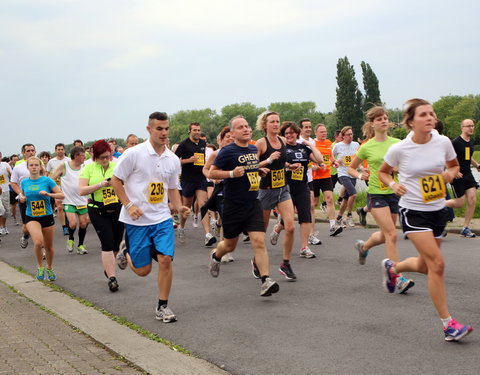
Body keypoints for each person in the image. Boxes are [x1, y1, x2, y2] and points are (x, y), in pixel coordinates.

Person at [379, 98, 472, 341]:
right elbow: (383, 172)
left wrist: (447, 176)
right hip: (414, 211)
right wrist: (393, 184)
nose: (430, 117)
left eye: (432, 113)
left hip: (438, 210)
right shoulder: (400, 148)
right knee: (437, 265)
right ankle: (448, 324)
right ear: (410, 121)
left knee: (424, 265)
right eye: (423, 114)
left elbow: (453, 167)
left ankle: (393, 268)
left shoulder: (442, 142)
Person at [111, 111, 190, 322]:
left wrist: (179, 206)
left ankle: (162, 306)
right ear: (149, 129)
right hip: (137, 220)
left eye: (166, 129)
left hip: (162, 218)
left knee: (165, 260)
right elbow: (115, 181)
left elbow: (173, 187)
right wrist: (128, 205)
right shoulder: (134, 154)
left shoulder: (173, 159)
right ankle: (126, 250)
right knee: (143, 270)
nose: (164, 133)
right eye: (159, 129)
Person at [207, 115, 280, 297]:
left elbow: (248, 169)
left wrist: (258, 170)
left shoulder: (253, 148)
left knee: (259, 241)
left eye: (247, 126)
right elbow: (212, 173)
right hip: (233, 204)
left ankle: (265, 280)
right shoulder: (227, 151)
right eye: (241, 127)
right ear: (232, 133)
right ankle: (216, 256)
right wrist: (231, 174)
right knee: (230, 246)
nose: (246, 129)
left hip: (253, 202)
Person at [348, 106, 414, 293]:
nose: (383, 121)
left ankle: (364, 246)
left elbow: (406, 165)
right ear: (372, 124)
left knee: (386, 234)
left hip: (394, 192)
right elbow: (352, 168)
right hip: (376, 193)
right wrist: (360, 174)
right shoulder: (367, 146)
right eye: (379, 119)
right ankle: (397, 275)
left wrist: (400, 170)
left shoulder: (397, 143)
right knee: (392, 234)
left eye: (385, 118)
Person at [272, 122, 325, 258]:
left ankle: (304, 247)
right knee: (289, 217)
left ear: (297, 133)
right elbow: (277, 162)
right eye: (286, 133)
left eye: (292, 132)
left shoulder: (303, 148)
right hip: (286, 187)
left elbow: (319, 160)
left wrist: (311, 145)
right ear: (283, 135)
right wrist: (289, 166)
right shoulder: (281, 148)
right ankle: (278, 228)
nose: (289, 135)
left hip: (302, 186)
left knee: (305, 215)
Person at [255, 111, 297, 281]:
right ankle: (256, 260)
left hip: (282, 188)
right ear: (265, 125)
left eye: (277, 121)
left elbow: (281, 161)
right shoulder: (260, 143)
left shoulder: (282, 141)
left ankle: (285, 263)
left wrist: (288, 166)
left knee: (291, 226)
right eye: (272, 121)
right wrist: (269, 160)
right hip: (265, 190)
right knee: (262, 231)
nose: (275, 124)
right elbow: (252, 165)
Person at [79, 140, 124, 292]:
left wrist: (117, 184)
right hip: (97, 209)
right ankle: (112, 278)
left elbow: (129, 184)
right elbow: (82, 190)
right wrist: (100, 185)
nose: (105, 160)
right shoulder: (88, 168)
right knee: (107, 242)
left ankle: (110, 265)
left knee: (116, 244)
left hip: (117, 207)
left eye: (107, 156)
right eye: (102, 157)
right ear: (95, 157)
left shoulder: (117, 165)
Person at [19, 156, 64, 281]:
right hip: (31, 216)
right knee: (38, 242)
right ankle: (40, 267)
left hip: (47, 216)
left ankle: (49, 268)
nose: (33, 167)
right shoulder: (24, 182)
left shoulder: (47, 181)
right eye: (31, 165)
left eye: (36, 165)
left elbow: (61, 194)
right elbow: (22, 195)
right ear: (27, 167)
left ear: (40, 167)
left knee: (49, 247)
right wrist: (21, 198)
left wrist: (49, 194)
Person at [175, 122, 215, 246]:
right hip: (187, 180)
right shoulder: (183, 144)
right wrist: (189, 160)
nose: (197, 132)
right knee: (186, 206)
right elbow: (175, 161)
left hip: (200, 178)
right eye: (194, 130)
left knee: (203, 204)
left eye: (198, 130)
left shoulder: (203, 144)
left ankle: (207, 234)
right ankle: (181, 227)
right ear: (190, 131)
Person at [202, 126, 235, 262]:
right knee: (227, 219)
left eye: (232, 136)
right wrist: (212, 177)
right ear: (221, 139)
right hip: (222, 189)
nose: (230, 139)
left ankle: (219, 227)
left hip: (237, 190)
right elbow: (205, 169)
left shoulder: (239, 153)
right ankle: (224, 251)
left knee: (229, 220)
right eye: (227, 136)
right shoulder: (217, 154)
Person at [445, 119, 479, 238]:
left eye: (472, 126)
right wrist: (455, 171)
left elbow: (468, 157)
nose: (471, 128)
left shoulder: (470, 142)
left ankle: (465, 228)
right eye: (468, 126)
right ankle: (439, 204)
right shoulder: (455, 142)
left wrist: (477, 165)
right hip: (457, 176)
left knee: (472, 199)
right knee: (460, 203)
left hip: (468, 175)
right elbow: (446, 158)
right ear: (462, 128)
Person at [51, 146, 89, 254]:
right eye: (82, 156)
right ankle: (71, 238)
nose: (84, 158)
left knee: (83, 223)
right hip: (68, 200)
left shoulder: (85, 167)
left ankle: (81, 245)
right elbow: (52, 179)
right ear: (76, 156)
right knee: (73, 223)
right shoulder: (64, 166)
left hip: (82, 200)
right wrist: (57, 192)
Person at [312, 124, 343, 237]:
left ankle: (333, 225)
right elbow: (308, 159)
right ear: (316, 133)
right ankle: (310, 229)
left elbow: (330, 158)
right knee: (314, 203)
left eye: (325, 131)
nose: (324, 134)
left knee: (329, 199)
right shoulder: (313, 143)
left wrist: (335, 162)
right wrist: (313, 166)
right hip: (314, 177)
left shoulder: (329, 143)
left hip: (326, 176)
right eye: (321, 132)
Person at [298, 119, 322, 245]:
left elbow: (314, 157)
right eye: (305, 127)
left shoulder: (312, 141)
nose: (308, 129)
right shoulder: (296, 141)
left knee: (311, 206)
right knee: (294, 210)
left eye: (309, 127)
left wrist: (319, 164)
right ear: (300, 129)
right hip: (295, 179)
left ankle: (311, 235)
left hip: (308, 178)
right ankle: (279, 226)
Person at [10, 143, 37, 248]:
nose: (31, 153)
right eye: (28, 151)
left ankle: (41, 247)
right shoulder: (18, 167)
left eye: (32, 150)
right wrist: (20, 194)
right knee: (27, 227)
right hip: (25, 200)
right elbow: (13, 183)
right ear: (23, 153)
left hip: (40, 199)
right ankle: (26, 235)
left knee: (41, 224)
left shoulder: (40, 165)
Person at [332, 126, 360, 228]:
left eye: (351, 134)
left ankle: (339, 218)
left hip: (353, 173)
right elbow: (331, 156)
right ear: (343, 136)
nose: (350, 136)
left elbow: (358, 158)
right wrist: (335, 162)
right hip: (343, 173)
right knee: (354, 194)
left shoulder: (356, 144)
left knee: (347, 198)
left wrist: (362, 168)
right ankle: (349, 216)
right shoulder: (338, 146)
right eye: (348, 134)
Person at [46, 143, 70, 236]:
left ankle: (68, 222)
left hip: (68, 187)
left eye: (62, 149)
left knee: (67, 206)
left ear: (64, 150)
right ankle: (64, 227)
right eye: (58, 149)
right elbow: (47, 173)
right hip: (57, 187)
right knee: (59, 207)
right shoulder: (51, 161)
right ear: (55, 151)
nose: (60, 151)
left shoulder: (69, 160)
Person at [0, 157, 12, 235]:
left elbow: (13, 176)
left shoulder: (5, 165)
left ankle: (4, 226)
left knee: (6, 211)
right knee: (1, 210)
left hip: (5, 190)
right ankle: (1, 227)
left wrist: (9, 173)